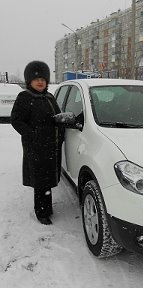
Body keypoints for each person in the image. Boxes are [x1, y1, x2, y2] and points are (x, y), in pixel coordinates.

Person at [11, 61, 64, 225]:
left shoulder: (49, 97)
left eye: (43, 78)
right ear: (29, 81)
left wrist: (63, 120)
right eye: (36, 79)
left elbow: (56, 116)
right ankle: (41, 212)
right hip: (36, 147)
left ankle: (47, 207)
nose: (40, 81)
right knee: (40, 181)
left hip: (51, 146)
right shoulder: (25, 97)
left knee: (47, 179)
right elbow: (16, 120)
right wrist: (33, 135)